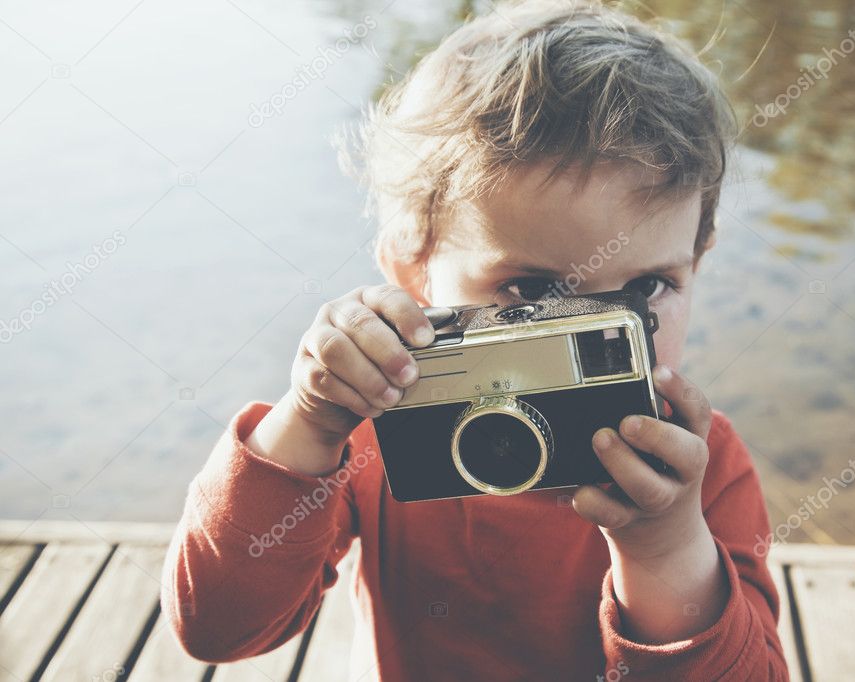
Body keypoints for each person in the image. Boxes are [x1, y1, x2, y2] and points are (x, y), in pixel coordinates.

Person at [161, 2, 789, 679]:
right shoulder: (376, 437)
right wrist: (308, 426)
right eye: (531, 292)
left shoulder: (697, 469)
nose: (591, 327)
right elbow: (218, 629)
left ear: (696, 263)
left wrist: (665, 548)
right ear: (412, 271)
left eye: (645, 291)